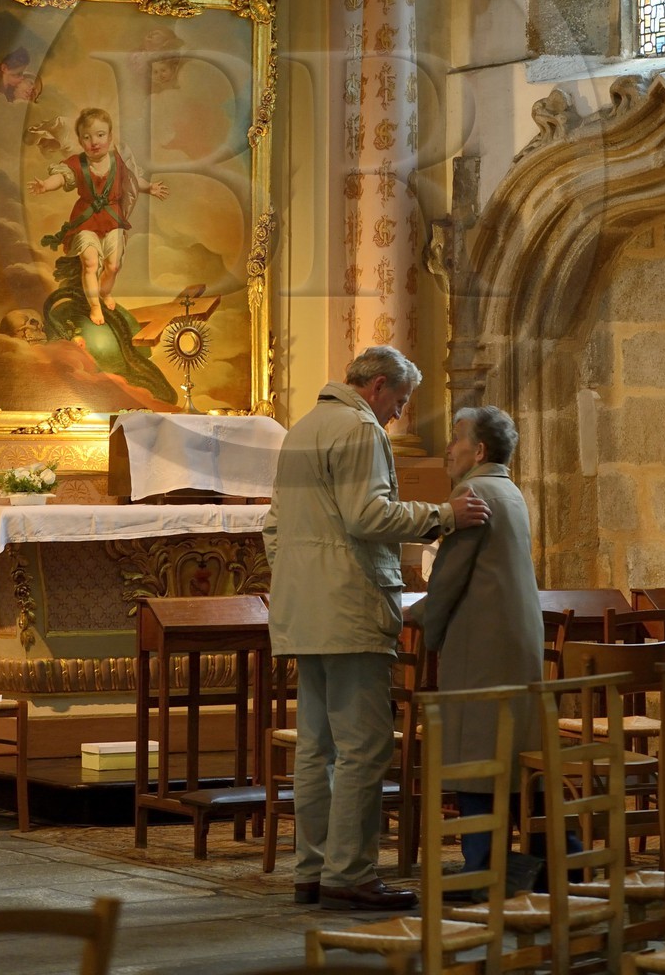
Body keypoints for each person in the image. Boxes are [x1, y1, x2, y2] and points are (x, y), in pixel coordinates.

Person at [263, 347, 491, 911]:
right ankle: (351, 875)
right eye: (400, 401)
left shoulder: (302, 429)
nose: (397, 414)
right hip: (350, 608)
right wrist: (443, 516)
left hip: (303, 610)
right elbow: (368, 516)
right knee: (363, 748)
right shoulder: (360, 430)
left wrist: (302, 579)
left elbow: (272, 527)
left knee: (316, 748)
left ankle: (312, 871)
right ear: (379, 386)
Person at [408, 405, 544, 889]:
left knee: (475, 749)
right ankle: (546, 861)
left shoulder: (472, 491)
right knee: (509, 750)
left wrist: (413, 620)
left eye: (457, 438)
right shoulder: (509, 489)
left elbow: (447, 579)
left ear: (479, 450)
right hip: (513, 636)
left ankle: (481, 868)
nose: (449, 447)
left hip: (480, 640)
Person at [29, 106, 167, 326]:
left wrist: (149, 188)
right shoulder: (77, 162)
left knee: (112, 266)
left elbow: (132, 181)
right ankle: (94, 306)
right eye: (87, 137)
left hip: (113, 219)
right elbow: (63, 178)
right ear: (80, 141)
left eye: (100, 135)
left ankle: (104, 293)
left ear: (110, 137)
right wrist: (46, 185)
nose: (94, 142)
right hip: (86, 220)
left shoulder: (119, 161)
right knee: (91, 263)